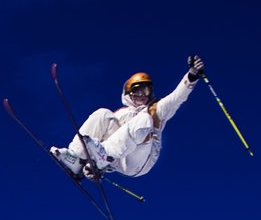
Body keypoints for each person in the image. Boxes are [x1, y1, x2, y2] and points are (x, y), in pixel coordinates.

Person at [50, 55, 205, 180]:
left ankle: (104, 157)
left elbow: (175, 99)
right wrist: (92, 167)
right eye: (138, 92)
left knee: (145, 119)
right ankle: (77, 158)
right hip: (116, 158)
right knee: (102, 114)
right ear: (129, 94)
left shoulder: (155, 110)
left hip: (139, 160)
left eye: (147, 91)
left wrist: (191, 77)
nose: (143, 96)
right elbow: (113, 140)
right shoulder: (120, 114)